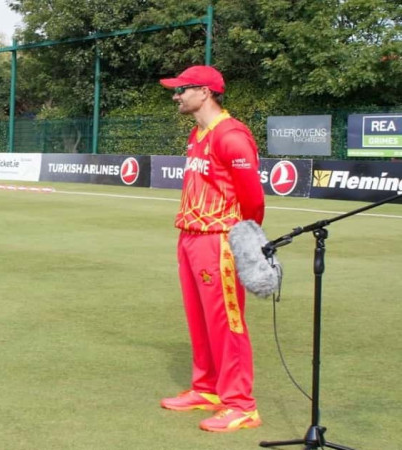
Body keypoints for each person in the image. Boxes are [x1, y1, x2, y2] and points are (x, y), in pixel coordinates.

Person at [158, 65, 265, 432]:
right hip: (190, 235)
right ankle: (207, 389)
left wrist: (247, 241)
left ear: (205, 92)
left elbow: (253, 200)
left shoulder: (231, 136)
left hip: (219, 239)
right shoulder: (197, 133)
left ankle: (241, 404)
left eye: (182, 89)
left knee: (226, 322)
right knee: (200, 319)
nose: (176, 95)